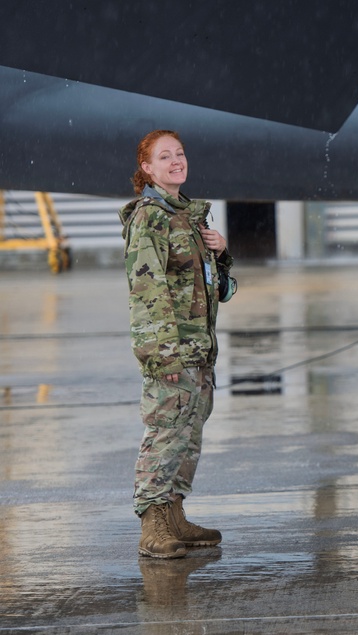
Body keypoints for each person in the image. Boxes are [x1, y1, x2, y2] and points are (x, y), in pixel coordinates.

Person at [120, 129, 234, 558]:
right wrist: (159, 352)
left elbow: (217, 289)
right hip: (172, 349)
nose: (175, 162)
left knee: (188, 433)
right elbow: (147, 292)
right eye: (164, 157)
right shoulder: (150, 217)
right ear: (147, 169)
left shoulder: (190, 215)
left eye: (180, 154)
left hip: (199, 348)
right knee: (165, 431)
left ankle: (174, 514)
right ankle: (153, 523)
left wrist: (221, 252)